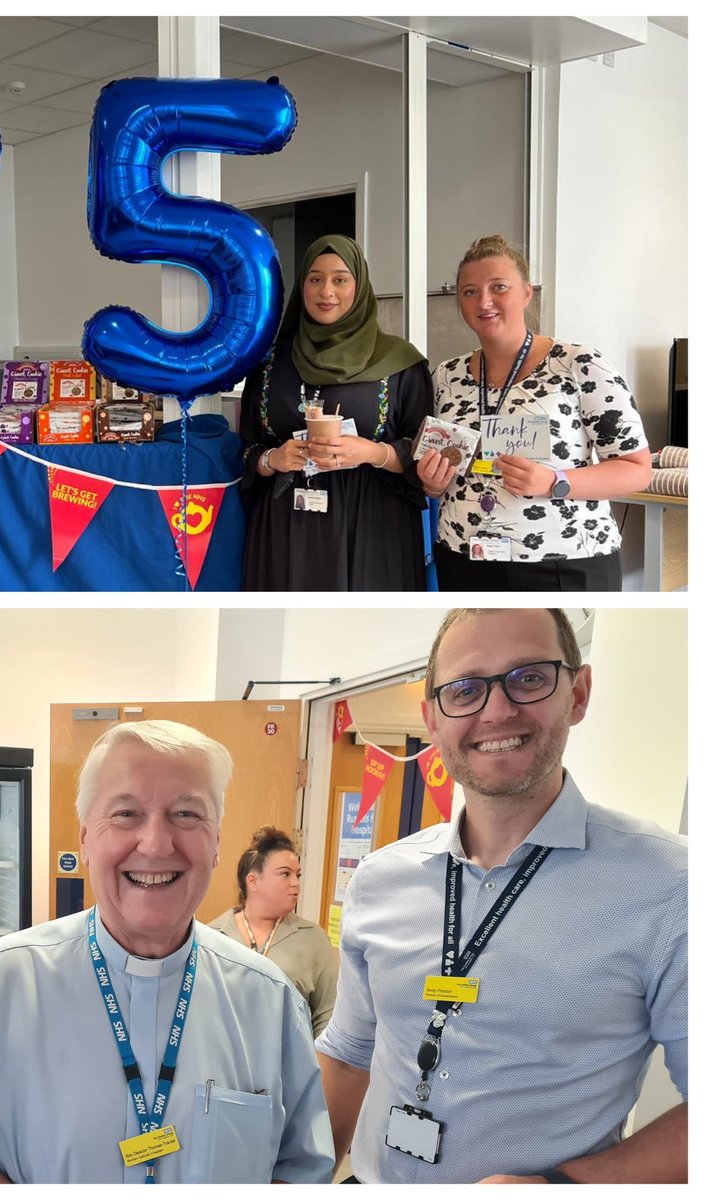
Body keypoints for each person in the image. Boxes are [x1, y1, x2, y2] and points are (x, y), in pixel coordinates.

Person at [315, 608, 686, 1183]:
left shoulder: (669, 884)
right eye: (463, 689)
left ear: (578, 693)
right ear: (432, 720)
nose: (496, 710)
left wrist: (565, 1186)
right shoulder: (380, 878)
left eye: (529, 677)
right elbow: (348, 1053)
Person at [0, 720, 334, 1184]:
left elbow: (301, 1166)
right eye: (125, 814)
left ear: (217, 842)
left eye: (186, 814)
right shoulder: (3, 982)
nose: (156, 844)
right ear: (84, 839)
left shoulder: (269, 1000)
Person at [417, 235, 651, 590]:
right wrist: (431, 483)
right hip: (465, 557)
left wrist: (555, 482)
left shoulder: (578, 365)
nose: (484, 301)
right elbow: (442, 466)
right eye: (469, 291)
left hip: (565, 561)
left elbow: (637, 470)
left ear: (526, 293)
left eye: (499, 287)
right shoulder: (446, 376)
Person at [240, 234, 433, 590]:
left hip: (373, 526)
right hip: (287, 525)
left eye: (340, 279)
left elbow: (422, 450)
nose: (326, 291)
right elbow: (247, 449)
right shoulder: (269, 362)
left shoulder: (400, 362)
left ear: (358, 287)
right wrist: (273, 459)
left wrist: (373, 452)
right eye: (315, 279)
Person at [208, 825, 337, 1038]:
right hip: (223, 1066)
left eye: (298, 875)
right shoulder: (213, 936)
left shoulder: (313, 939)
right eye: (285, 874)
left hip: (289, 1067)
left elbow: (327, 1017)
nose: (295, 883)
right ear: (253, 881)